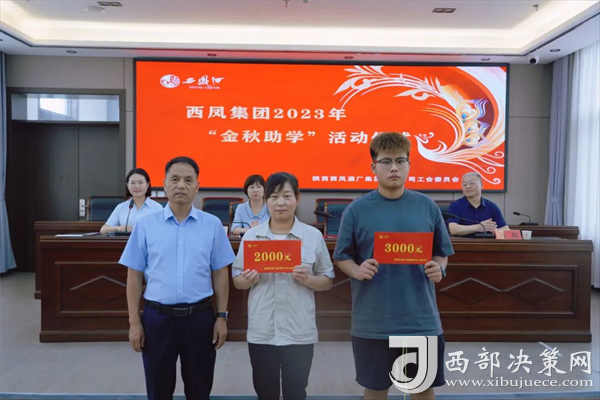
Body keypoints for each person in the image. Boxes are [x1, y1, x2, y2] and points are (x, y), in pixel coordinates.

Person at [333, 132, 454, 400]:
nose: (394, 168)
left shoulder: (427, 206)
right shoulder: (356, 210)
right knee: (376, 390)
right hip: (373, 320)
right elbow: (342, 257)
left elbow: (441, 253)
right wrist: (357, 270)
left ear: (409, 165)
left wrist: (439, 268)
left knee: (422, 390)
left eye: (401, 161)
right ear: (373, 166)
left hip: (419, 319)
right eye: (386, 162)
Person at [119, 156, 235, 400]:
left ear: (197, 186)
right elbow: (134, 275)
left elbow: (220, 273)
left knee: (199, 389)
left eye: (188, 180)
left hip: (200, 319)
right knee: (158, 390)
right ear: (164, 184)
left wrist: (222, 317)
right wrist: (134, 322)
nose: (181, 185)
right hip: (157, 319)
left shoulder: (212, 225)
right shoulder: (145, 225)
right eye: (175, 179)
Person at [232, 172, 334, 400]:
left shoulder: (312, 236)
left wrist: (309, 279)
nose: (280, 202)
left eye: (287, 196)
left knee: (296, 392)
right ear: (266, 200)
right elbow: (238, 281)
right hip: (262, 331)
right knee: (265, 393)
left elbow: (327, 281)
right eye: (274, 196)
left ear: (297, 198)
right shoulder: (252, 237)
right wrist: (248, 279)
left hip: (299, 331)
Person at [100, 168, 163, 234]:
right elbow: (103, 230)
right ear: (127, 185)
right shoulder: (121, 207)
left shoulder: (157, 208)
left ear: (147, 184)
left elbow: (163, 230)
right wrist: (119, 228)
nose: (137, 186)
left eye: (140, 182)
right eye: (132, 183)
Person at [447, 172, 508, 236]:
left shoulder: (492, 206)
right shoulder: (455, 206)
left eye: (471, 183)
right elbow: (453, 229)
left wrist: (496, 230)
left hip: (488, 241)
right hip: (464, 241)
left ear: (481, 185)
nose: (468, 187)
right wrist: (478, 227)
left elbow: (505, 228)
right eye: (464, 184)